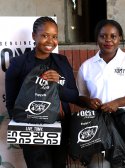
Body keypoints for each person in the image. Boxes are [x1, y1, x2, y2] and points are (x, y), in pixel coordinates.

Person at [5, 16, 79, 168]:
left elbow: (73, 95)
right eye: (45, 35)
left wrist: (57, 85)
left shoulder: (61, 61)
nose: (50, 41)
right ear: (34, 36)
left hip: (59, 127)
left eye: (54, 36)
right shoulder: (18, 63)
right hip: (31, 129)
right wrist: (21, 129)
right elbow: (11, 102)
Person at [76, 19, 125, 168]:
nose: (108, 40)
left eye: (113, 36)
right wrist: (88, 102)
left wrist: (117, 103)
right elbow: (80, 96)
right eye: (103, 36)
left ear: (120, 38)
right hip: (98, 127)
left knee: (124, 164)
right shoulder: (87, 66)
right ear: (97, 38)